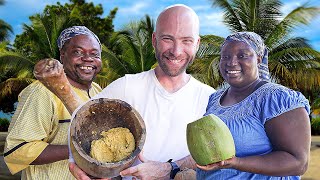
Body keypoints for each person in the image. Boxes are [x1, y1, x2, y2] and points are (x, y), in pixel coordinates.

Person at [67, 4, 215, 180]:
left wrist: (169, 168)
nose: (176, 51)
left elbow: (212, 155)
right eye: (168, 38)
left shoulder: (209, 98)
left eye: (186, 41)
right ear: (154, 40)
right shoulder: (127, 87)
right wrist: (76, 164)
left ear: (197, 44)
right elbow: (80, 119)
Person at [197, 32, 311, 179]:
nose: (231, 62)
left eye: (242, 56)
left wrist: (236, 162)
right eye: (225, 56)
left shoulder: (276, 98)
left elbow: (298, 163)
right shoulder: (215, 98)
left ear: (258, 59)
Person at [4, 26, 103, 179]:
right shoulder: (42, 92)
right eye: (78, 52)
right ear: (62, 56)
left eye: (94, 54)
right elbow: (17, 150)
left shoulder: (98, 91)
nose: (88, 58)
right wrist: (75, 150)